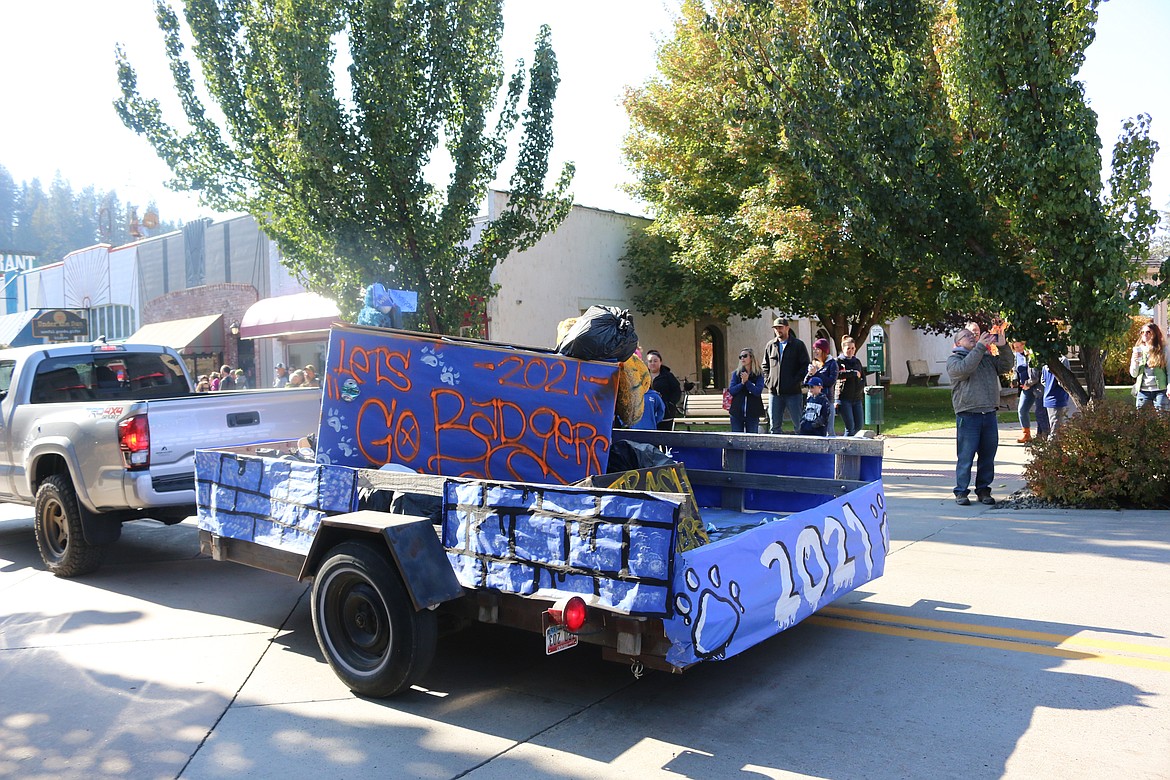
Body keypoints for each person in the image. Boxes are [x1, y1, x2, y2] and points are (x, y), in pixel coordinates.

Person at [947, 327, 1010, 506]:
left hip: (988, 412)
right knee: (966, 456)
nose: (971, 337)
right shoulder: (955, 359)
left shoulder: (985, 358)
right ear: (957, 343)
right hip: (968, 414)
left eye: (973, 335)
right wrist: (980, 347)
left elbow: (1005, 366)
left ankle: (983, 490)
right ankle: (961, 492)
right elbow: (964, 369)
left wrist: (1004, 346)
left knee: (987, 456)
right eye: (965, 336)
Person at [763, 318, 811, 434]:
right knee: (774, 427)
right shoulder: (770, 345)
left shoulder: (798, 345)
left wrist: (796, 381)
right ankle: (776, 451)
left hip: (793, 393)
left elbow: (805, 366)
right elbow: (765, 366)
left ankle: (801, 449)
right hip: (775, 392)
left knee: (799, 425)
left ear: (787, 328)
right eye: (776, 328)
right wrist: (768, 381)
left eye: (780, 327)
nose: (778, 330)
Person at [1010, 340, 1048, 442]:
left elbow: (1035, 376)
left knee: (1040, 411)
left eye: (1020, 346)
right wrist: (1014, 380)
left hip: (1037, 387)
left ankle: (1042, 435)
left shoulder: (1031, 355)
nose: (1019, 349)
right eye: (1016, 347)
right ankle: (1026, 434)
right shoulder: (1016, 356)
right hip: (1025, 387)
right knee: (1022, 410)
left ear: (1024, 345)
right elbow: (1016, 370)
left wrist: (1028, 384)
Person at [1129, 322, 1170, 412]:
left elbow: (1169, 371)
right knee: (1142, 421)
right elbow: (1134, 374)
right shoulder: (1138, 350)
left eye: (1148, 332)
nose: (1144, 334)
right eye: (1142, 332)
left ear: (1155, 334)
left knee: (1162, 420)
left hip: (1160, 391)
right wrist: (1135, 362)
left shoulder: (1163, 349)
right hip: (1143, 392)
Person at [806, 338, 839, 436]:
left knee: (829, 430)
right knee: (813, 427)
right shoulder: (814, 363)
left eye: (818, 349)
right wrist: (809, 374)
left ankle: (831, 451)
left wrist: (817, 373)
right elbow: (805, 382)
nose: (815, 351)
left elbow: (831, 382)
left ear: (824, 351)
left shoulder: (832, 364)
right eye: (814, 349)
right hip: (813, 400)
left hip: (827, 400)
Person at [727, 348, 766, 433]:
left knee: (752, 439)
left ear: (751, 358)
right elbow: (732, 391)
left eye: (745, 356)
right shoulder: (736, 374)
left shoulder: (759, 374)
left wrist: (747, 382)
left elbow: (757, 391)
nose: (742, 359)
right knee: (737, 439)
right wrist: (742, 383)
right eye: (740, 357)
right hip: (737, 412)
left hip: (753, 412)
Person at [644, 350, 683, 431]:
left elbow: (677, 391)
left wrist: (670, 403)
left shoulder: (668, 376)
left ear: (660, 362)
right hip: (648, 412)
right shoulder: (643, 376)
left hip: (666, 412)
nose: (652, 363)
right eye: (650, 361)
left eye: (655, 361)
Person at [836, 337, 866, 436]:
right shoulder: (838, 362)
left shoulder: (857, 361)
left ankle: (850, 447)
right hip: (844, 399)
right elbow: (838, 375)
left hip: (857, 398)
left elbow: (862, 376)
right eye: (848, 348)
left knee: (859, 425)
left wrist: (863, 386)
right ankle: (846, 449)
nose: (850, 351)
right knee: (850, 427)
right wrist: (852, 373)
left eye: (853, 348)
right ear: (843, 348)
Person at [1042, 358, 1072, 434]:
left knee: (1055, 426)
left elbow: (1043, 380)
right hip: (1058, 396)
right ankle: (1051, 445)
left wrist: (1050, 386)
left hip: (1048, 397)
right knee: (1055, 429)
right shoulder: (1063, 360)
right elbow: (1065, 379)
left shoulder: (1045, 362)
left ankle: (1054, 444)